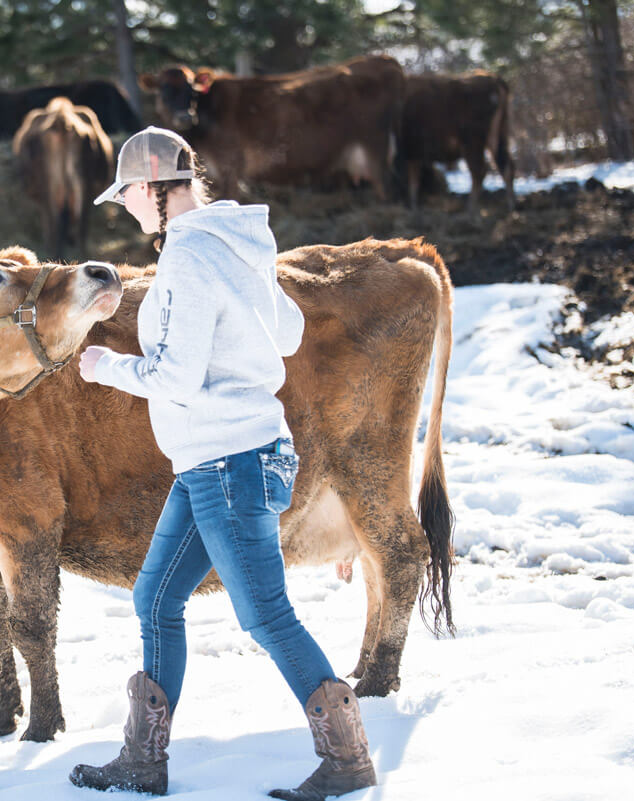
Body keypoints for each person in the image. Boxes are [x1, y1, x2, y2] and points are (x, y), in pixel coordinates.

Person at [69, 127, 377, 800]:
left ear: (154, 189)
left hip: (229, 460)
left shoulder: (186, 258)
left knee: (266, 613)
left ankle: (349, 756)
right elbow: (288, 332)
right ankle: (143, 760)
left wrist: (105, 365)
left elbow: (175, 377)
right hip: (218, 458)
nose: (126, 209)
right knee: (156, 597)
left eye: (128, 197)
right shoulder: (234, 244)